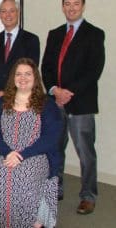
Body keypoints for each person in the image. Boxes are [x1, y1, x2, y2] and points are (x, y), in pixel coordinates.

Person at [41, 0, 105, 214]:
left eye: (75, 4)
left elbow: (94, 70)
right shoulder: (55, 33)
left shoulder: (94, 34)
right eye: (67, 4)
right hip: (55, 103)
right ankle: (56, 187)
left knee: (86, 153)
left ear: (83, 6)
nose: (71, 8)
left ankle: (88, 195)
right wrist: (53, 90)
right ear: (62, 6)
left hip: (80, 103)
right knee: (55, 148)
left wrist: (67, 93)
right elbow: (46, 67)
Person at [0, 58, 62, 228]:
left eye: (28, 74)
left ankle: (30, 223)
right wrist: (8, 152)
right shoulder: (0, 104)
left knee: (24, 185)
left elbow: (50, 138)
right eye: (18, 74)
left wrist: (21, 154)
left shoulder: (47, 105)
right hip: (5, 154)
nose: (23, 78)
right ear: (13, 78)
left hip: (35, 155)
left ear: (35, 77)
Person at [0, 0, 40, 111]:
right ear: (0, 15)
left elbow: (31, 71)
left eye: (12, 11)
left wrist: (9, 93)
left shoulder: (31, 40)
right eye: (4, 11)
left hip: (21, 100)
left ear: (18, 12)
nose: (8, 15)